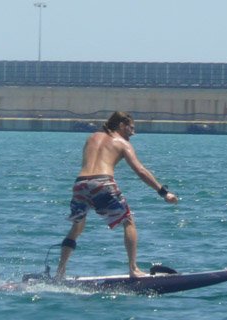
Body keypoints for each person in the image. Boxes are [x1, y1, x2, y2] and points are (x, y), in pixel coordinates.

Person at [56, 111, 178, 279]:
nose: (133, 133)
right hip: (102, 182)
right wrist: (163, 192)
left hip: (80, 184)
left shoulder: (91, 137)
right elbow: (140, 171)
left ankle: (60, 273)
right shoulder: (122, 143)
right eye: (131, 128)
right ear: (121, 125)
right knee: (128, 221)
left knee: (76, 227)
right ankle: (133, 269)